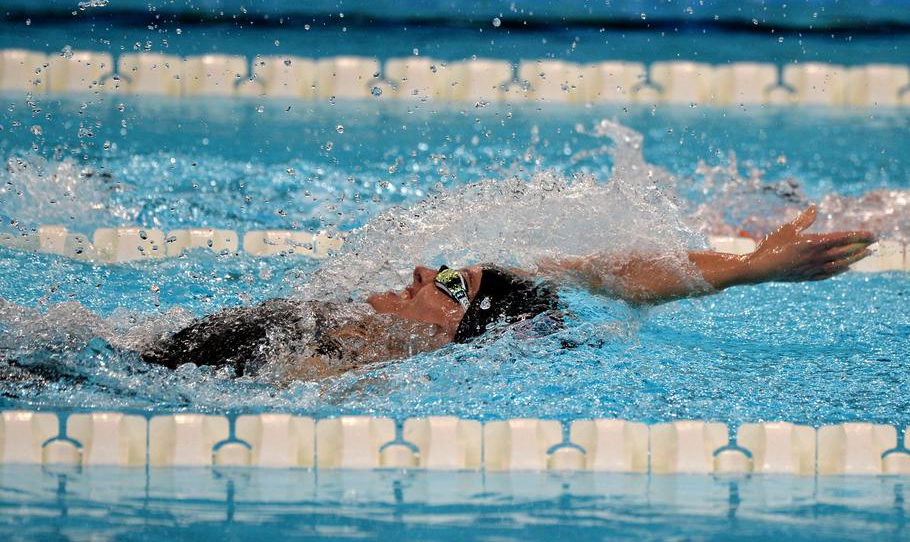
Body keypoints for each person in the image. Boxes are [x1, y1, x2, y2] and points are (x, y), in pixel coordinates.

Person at [142, 205, 875, 380]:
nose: (427, 272)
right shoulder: (334, 324)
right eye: (449, 271)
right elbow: (602, 269)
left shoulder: (339, 377)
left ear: (451, 334)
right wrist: (744, 267)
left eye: (451, 286)